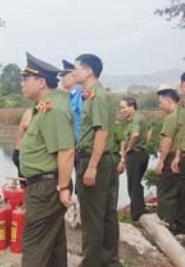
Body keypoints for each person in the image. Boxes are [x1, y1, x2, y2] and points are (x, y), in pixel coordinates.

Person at [18, 53, 74, 267]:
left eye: (26, 79)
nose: (22, 84)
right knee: (52, 244)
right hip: (45, 185)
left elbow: (66, 151)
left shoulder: (54, 110)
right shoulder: (46, 107)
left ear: (41, 82)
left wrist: (63, 187)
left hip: (47, 187)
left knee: (34, 244)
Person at [73, 54, 120, 267]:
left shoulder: (97, 97)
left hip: (95, 161)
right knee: (107, 215)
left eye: (77, 69)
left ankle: (91, 263)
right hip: (103, 160)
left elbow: (102, 133)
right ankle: (109, 261)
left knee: (92, 219)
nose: (74, 73)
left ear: (88, 70)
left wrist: (91, 166)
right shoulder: (95, 95)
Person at [156, 85, 185, 235]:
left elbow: (167, 141)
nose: (160, 106)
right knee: (180, 192)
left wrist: (161, 161)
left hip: (172, 157)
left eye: (161, 102)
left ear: (168, 101)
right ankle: (180, 226)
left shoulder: (172, 117)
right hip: (180, 156)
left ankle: (165, 224)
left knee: (166, 192)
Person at [118, 97, 151, 222]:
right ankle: (140, 208)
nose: (121, 110)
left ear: (132, 106)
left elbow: (135, 135)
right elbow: (149, 130)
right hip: (143, 153)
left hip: (135, 154)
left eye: (123, 107)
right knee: (137, 182)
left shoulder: (136, 119)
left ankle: (136, 214)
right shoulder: (137, 118)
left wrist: (129, 149)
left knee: (133, 184)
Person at [60, 59, 83, 143]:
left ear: (74, 75)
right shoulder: (69, 97)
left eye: (64, 75)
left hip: (81, 143)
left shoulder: (81, 94)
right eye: (61, 76)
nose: (62, 79)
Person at [12, 107, 33, 184]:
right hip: (23, 154)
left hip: (21, 153)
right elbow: (26, 125)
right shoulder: (34, 111)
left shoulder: (30, 110)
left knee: (25, 183)